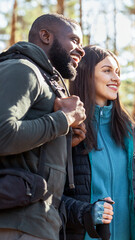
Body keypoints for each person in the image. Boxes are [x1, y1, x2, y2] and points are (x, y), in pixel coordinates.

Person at [0, 14, 86, 240]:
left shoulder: (45, 79)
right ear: (45, 36)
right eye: (75, 40)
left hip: (38, 224)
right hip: (15, 225)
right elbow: (2, 134)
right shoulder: (22, 69)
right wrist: (64, 120)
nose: (81, 49)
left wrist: (64, 137)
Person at [61, 45, 135, 240]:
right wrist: (86, 213)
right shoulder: (68, 128)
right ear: (86, 74)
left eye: (118, 72)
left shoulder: (132, 132)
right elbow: (52, 196)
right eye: (107, 71)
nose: (116, 78)